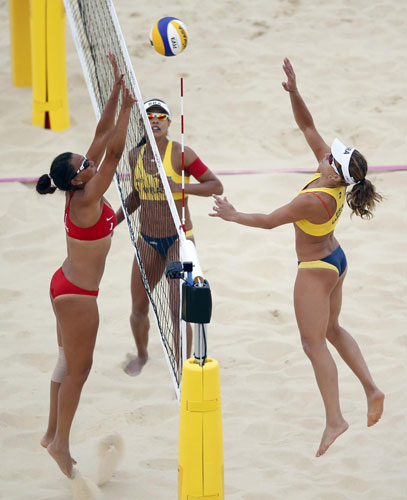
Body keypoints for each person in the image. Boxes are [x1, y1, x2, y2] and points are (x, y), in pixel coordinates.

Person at [210, 58, 385, 457]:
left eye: (330, 158)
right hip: (336, 260)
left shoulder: (313, 199)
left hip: (317, 270)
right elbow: (308, 127)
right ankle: (372, 389)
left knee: (313, 345)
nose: (324, 155)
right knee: (333, 330)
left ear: (336, 173)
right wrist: (295, 92)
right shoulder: (336, 178)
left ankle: (335, 419)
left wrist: (233, 214)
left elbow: (271, 221)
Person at [36, 54, 136, 478]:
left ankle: (49, 433)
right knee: (80, 370)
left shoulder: (78, 188)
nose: (89, 162)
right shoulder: (89, 193)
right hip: (78, 296)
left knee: (64, 362)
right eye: (84, 165)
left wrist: (114, 92)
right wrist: (129, 109)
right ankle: (60, 442)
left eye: (85, 160)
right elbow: (112, 151)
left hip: (65, 285)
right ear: (77, 179)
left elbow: (99, 136)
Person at [116, 98, 223, 376]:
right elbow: (137, 196)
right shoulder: (133, 157)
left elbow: (216, 185)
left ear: (169, 123)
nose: (155, 120)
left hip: (179, 241)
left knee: (177, 310)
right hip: (148, 240)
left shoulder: (181, 154)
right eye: (149, 117)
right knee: (138, 308)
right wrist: (111, 222)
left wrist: (181, 186)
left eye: (160, 117)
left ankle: (181, 372)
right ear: (141, 124)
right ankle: (142, 355)